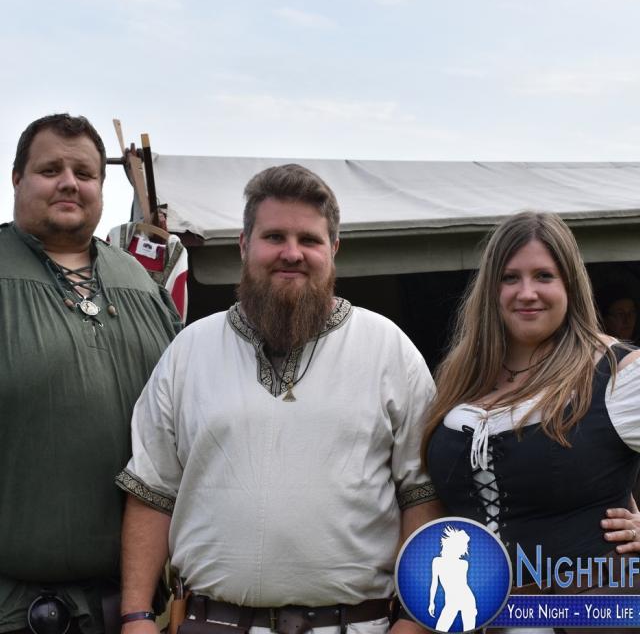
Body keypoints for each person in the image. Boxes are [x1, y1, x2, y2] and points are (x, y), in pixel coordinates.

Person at [115, 163, 442, 634]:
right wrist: (136, 615)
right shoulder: (189, 350)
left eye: (309, 239)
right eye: (274, 237)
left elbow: (422, 493)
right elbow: (152, 491)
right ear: (244, 245)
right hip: (213, 624)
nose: (292, 253)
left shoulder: (388, 349)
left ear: (333, 249)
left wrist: (414, 618)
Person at [0, 114, 181, 634]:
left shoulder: (141, 285)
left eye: (84, 173)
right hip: (16, 612)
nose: (69, 183)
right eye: (50, 170)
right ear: (17, 178)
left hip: (133, 609)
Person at [421, 211, 640, 634]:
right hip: (482, 616)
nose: (527, 293)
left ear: (569, 284)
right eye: (510, 278)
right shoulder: (462, 379)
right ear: (492, 289)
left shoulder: (617, 374)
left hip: (590, 614)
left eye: (544, 276)